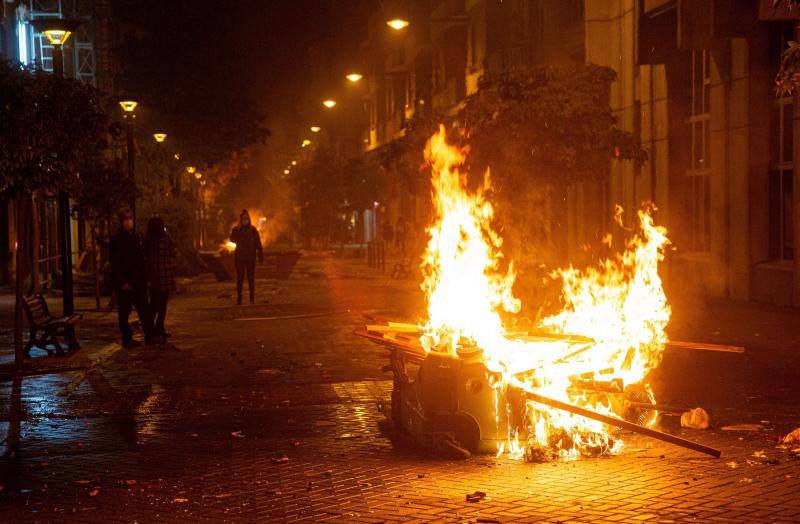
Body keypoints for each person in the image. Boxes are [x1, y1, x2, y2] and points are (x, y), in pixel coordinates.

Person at [109, 209, 160, 347]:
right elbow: (116, 263)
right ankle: (127, 338)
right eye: (126, 219)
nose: (129, 221)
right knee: (125, 311)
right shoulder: (118, 240)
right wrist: (122, 282)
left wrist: (145, 277)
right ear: (121, 221)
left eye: (130, 218)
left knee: (144, 309)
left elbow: (139, 260)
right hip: (126, 282)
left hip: (137, 281)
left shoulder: (135, 237)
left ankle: (149, 335)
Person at [144, 217, 176, 338]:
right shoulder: (166, 238)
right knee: (163, 305)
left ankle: (150, 329)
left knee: (153, 304)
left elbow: (144, 257)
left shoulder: (147, 239)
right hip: (165, 275)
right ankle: (159, 327)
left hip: (154, 277)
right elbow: (173, 252)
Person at [229, 209, 263, 305]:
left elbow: (258, 243)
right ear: (241, 220)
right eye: (243, 219)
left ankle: (252, 299)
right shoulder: (237, 230)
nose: (245, 221)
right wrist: (237, 231)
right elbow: (232, 239)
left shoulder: (253, 230)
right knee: (240, 278)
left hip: (250, 258)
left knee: (251, 278)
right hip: (239, 257)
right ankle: (239, 299)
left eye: (247, 219)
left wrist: (260, 255)